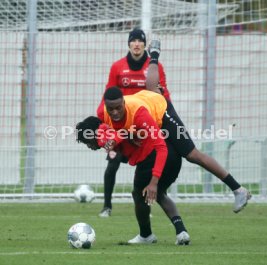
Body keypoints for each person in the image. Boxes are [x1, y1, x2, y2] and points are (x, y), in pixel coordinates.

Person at [98, 86, 252, 214]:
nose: (115, 112)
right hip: (148, 103)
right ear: (105, 106)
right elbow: (118, 129)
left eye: (118, 108)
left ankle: (238, 190)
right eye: (111, 109)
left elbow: (160, 147)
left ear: (124, 103)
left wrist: (154, 182)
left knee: (192, 155)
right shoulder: (103, 113)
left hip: (162, 112)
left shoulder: (139, 113)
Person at [76, 116, 190, 245]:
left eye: (87, 141)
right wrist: (129, 136)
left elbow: (118, 133)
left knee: (138, 194)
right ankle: (182, 232)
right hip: (172, 155)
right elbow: (125, 131)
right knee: (159, 193)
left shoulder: (102, 134)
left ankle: (146, 235)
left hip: (151, 156)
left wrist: (115, 139)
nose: (89, 146)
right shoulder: (114, 125)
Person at [96, 28, 171, 217]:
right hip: (121, 127)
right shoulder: (117, 67)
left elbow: (163, 93)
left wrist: (168, 116)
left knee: (146, 166)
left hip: (143, 127)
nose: (137, 44)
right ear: (128, 44)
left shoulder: (154, 68)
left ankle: (146, 205)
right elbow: (108, 94)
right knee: (112, 163)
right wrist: (102, 120)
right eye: (133, 40)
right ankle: (107, 206)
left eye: (140, 41)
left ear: (145, 44)